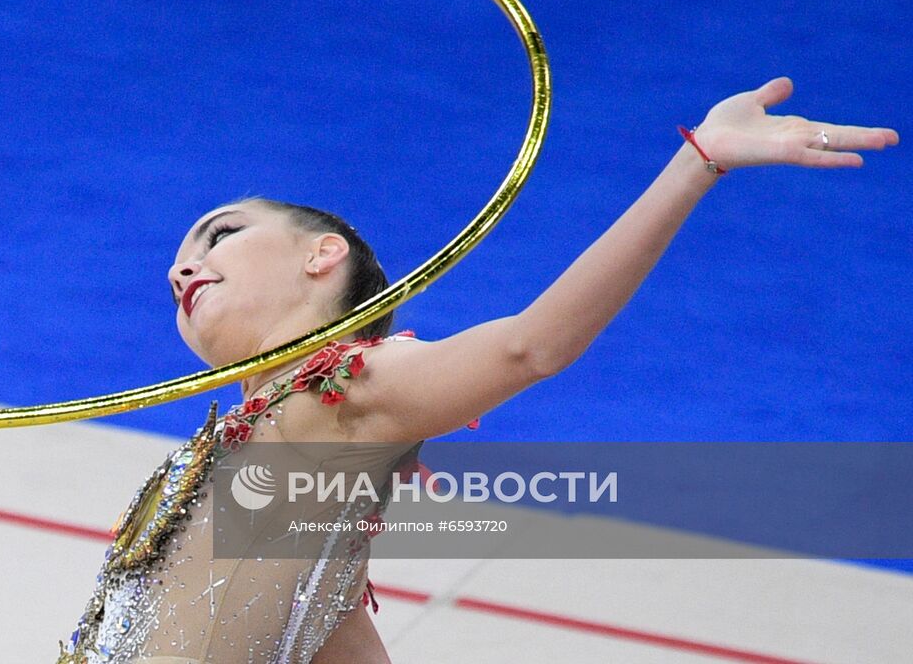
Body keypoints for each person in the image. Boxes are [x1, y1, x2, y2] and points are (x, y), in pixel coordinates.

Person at [57, 77, 898, 663]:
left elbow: (534, 345)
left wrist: (696, 162)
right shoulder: (259, 454)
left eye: (221, 234)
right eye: (175, 266)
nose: (182, 268)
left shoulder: (350, 391)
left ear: (323, 255)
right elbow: (332, 637)